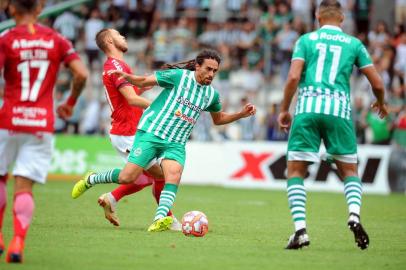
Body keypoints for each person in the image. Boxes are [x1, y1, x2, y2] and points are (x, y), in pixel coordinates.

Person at [72, 49, 256, 232]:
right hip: (152, 132)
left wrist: (240, 114)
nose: (211, 74)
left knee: (173, 175)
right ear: (197, 66)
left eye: (215, 71)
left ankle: (160, 218)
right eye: (208, 69)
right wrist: (127, 77)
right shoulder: (178, 76)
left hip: (176, 142)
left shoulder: (211, 95)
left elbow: (219, 119)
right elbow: (145, 81)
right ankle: (92, 178)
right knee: (127, 177)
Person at [277, 0, 388, 250]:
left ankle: (300, 231)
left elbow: (294, 76)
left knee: (295, 171)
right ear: (342, 18)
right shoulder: (354, 44)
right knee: (350, 171)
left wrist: (284, 109)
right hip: (339, 111)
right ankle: (354, 215)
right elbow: (378, 83)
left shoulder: (305, 40)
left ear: (317, 17)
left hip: (307, 110)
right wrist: (380, 102)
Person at [0, 0, 88, 263]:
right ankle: (18, 242)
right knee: (24, 186)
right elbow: (82, 74)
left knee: (1, 178)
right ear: (39, 8)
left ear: (11, 9)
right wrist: (70, 103)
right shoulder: (57, 39)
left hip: (8, 121)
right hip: (41, 123)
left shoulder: (6, 39)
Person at [93, 28, 180, 230]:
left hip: (134, 130)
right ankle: (167, 219)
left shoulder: (120, 65)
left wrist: (149, 82)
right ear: (109, 40)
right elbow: (132, 99)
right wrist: (163, 109)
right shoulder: (115, 65)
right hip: (127, 132)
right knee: (156, 175)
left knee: (147, 178)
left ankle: (112, 198)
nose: (123, 36)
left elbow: (131, 93)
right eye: (118, 35)